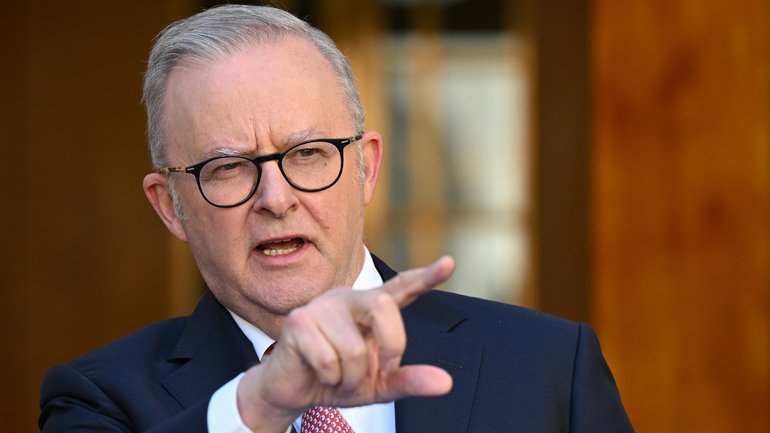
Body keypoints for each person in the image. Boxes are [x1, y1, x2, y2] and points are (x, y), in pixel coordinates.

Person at [38, 4, 633, 433]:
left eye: (308, 154)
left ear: (367, 168)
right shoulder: (98, 398)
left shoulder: (550, 366)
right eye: (228, 168)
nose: (275, 197)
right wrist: (257, 408)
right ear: (170, 206)